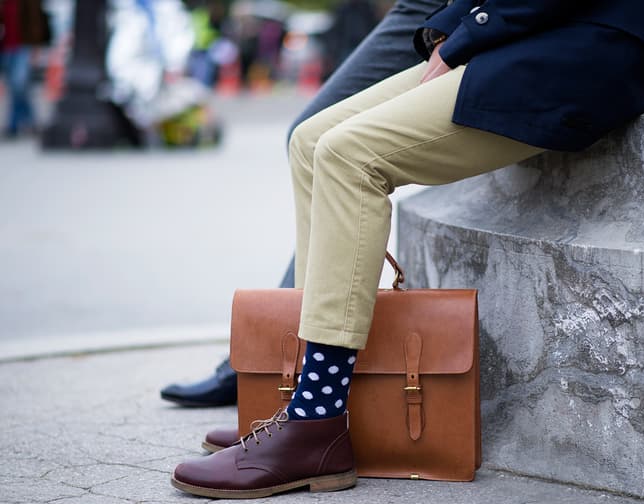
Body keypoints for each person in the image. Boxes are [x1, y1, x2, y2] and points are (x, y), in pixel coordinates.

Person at [171, 0, 644, 499]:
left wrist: (469, 35)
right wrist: (459, 30)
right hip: (534, 26)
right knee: (311, 141)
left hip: (598, 36)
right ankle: (296, 394)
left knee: (348, 156)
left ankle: (315, 421)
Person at [159, 0, 443, 408]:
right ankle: (282, 365)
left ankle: (309, 393)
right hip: (424, 8)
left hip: (470, 19)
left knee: (340, 153)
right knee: (309, 138)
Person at [0, 0, 50, 137]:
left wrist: (36, 47)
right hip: (6, 47)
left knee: (18, 83)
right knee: (14, 87)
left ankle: (15, 124)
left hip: (24, 46)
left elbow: (35, 20)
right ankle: (29, 121)